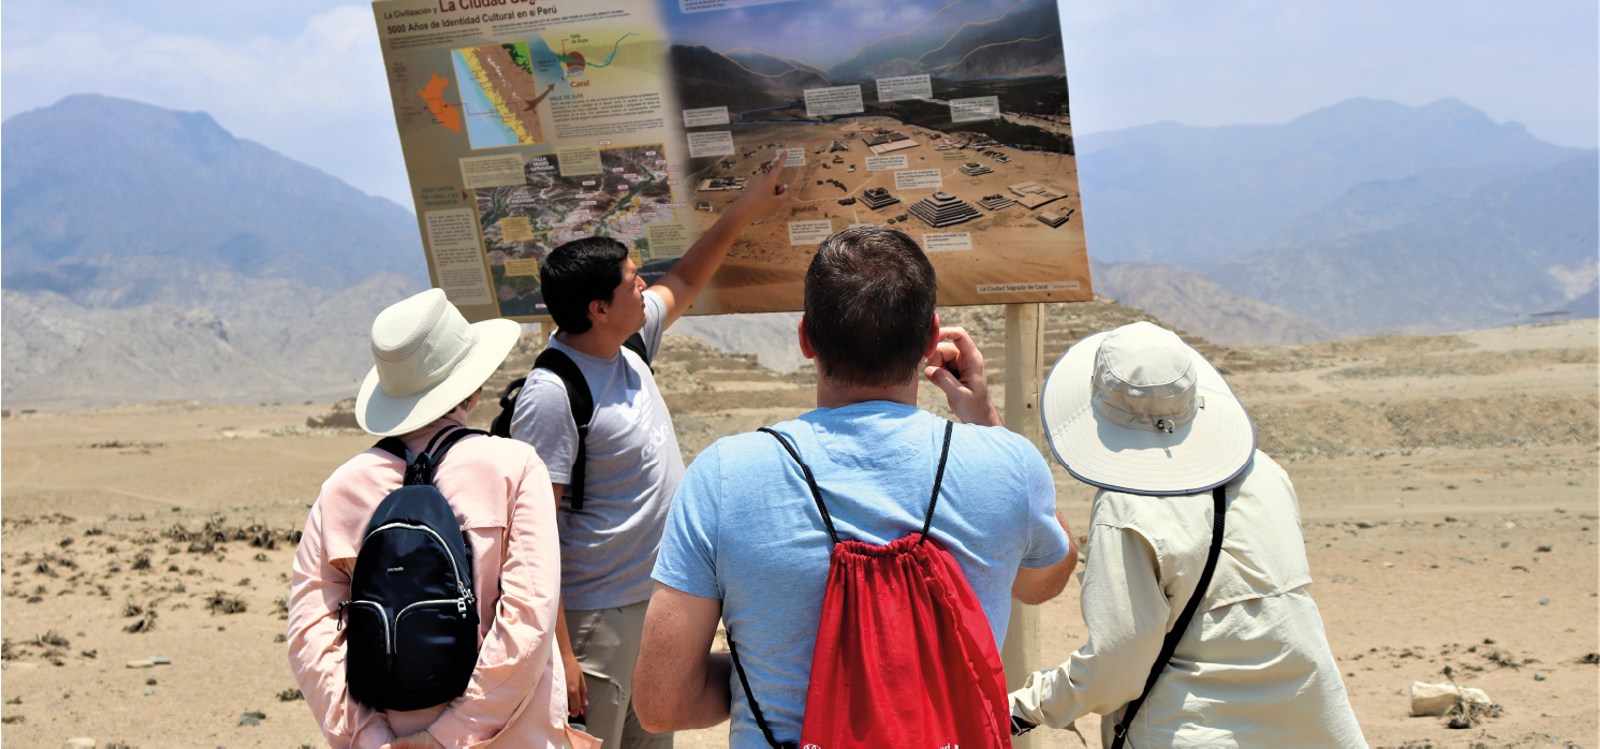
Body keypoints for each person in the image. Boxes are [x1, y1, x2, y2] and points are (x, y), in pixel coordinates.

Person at [631, 227, 1079, 746]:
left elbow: (663, 702)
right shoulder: (1008, 465)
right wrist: (987, 422)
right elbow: (1041, 581)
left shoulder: (722, 476)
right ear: (932, 338)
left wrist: (768, 663)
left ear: (805, 337)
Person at [509, 154, 793, 748]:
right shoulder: (554, 395)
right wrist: (558, 651)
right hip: (595, 624)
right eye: (634, 280)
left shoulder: (631, 342)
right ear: (598, 308)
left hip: (657, 607)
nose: (646, 286)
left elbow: (687, 278)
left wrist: (746, 206)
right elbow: (532, 534)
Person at [1010, 321, 1366, 747]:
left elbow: (1115, 664)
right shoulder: (1267, 474)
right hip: (1311, 722)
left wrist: (1026, 707)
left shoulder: (1125, 507)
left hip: (1190, 729)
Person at [287, 288, 574, 748]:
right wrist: (447, 737)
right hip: (508, 734)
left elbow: (310, 635)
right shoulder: (514, 468)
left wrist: (372, 738)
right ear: (472, 387)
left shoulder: (341, 487)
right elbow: (528, 619)